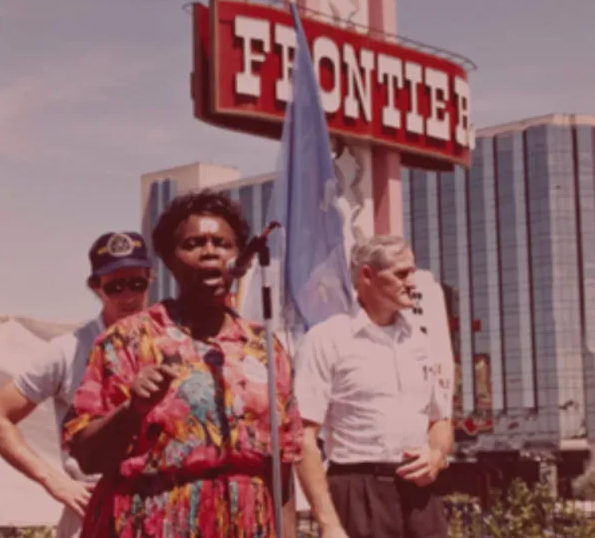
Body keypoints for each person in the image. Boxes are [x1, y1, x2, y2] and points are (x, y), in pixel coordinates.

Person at [62, 190, 303, 537]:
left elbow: (282, 466)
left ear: (239, 255)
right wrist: (133, 409)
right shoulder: (126, 341)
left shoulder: (265, 347)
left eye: (222, 243)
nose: (210, 252)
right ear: (169, 260)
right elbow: (87, 457)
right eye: (193, 244)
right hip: (152, 525)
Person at [0, 231, 153, 538]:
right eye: (115, 286)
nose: (128, 297)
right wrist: (53, 480)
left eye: (137, 283)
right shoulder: (68, 350)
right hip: (94, 509)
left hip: (165, 507)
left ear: (151, 277)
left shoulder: (174, 345)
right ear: (96, 287)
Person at [294, 235, 454, 538]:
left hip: (421, 496)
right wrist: (329, 523)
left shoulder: (420, 341)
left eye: (413, 272)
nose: (412, 283)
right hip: (358, 493)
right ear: (367, 275)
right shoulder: (327, 340)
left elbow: (440, 420)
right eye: (401, 273)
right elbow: (303, 436)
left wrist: (436, 455)